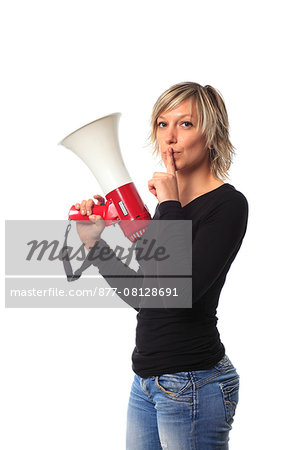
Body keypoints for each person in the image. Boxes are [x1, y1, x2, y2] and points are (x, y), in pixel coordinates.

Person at [74, 82, 249, 449]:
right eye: (162, 124)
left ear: (212, 135)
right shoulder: (166, 208)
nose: (170, 137)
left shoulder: (228, 205)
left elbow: (178, 293)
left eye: (185, 124)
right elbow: (147, 296)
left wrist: (169, 205)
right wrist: (96, 244)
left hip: (194, 383)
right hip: (146, 382)